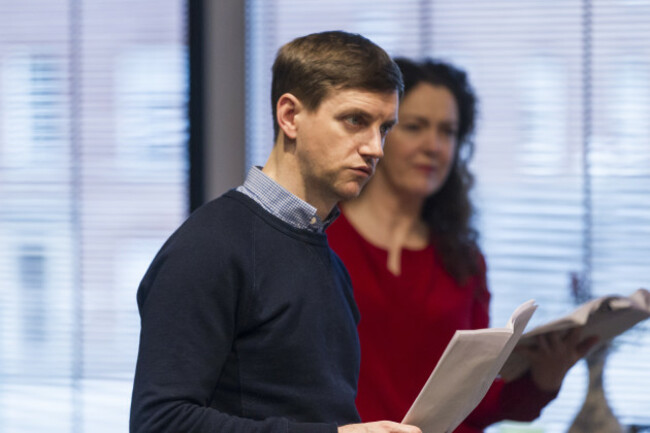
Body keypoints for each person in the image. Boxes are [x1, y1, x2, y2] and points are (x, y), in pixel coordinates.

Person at [129, 30, 424, 433]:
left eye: (384, 128)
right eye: (355, 121)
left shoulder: (328, 261)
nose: (375, 148)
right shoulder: (208, 248)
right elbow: (159, 423)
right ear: (290, 117)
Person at [326, 57, 599, 433]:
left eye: (448, 131)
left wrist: (544, 380)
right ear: (381, 133)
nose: (434, 146)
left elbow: (476, 406)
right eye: (416, 127)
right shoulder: (322, 237)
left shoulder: (464, 261)